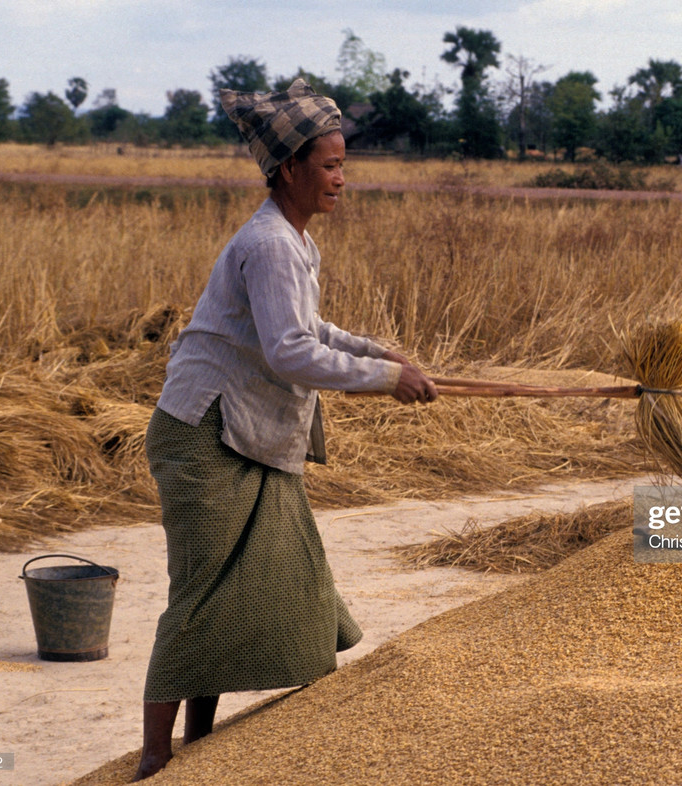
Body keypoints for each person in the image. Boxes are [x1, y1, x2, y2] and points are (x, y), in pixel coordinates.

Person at [132, 79, 438, 781]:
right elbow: (290, 353)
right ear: (290, 168)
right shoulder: (270, 243)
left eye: (342, 165)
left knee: (241, 589)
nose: (340, 179)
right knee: (202, 593)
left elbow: (310, 328)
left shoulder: (295, 242)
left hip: (241, 433)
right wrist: (386, 381)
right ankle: (153, 760)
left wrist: (380, 354)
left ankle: (198, 747)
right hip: (204, 433)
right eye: (329, 166)